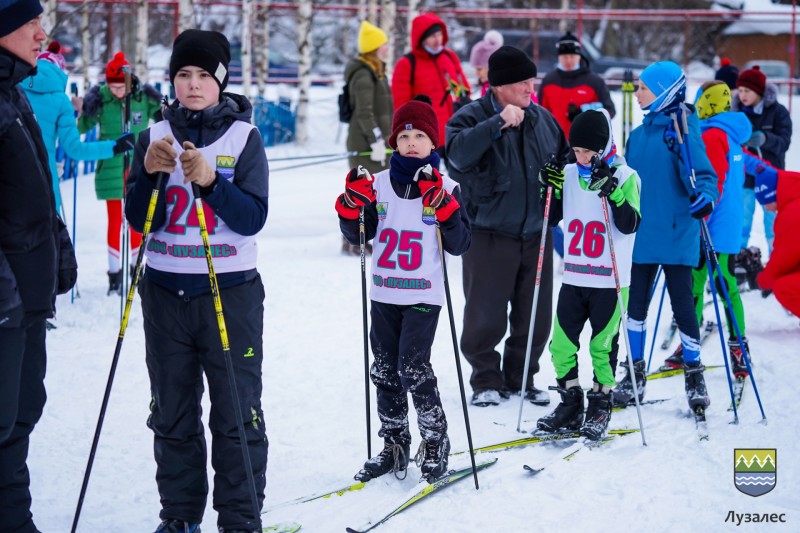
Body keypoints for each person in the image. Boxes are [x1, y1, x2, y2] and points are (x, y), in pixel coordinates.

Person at [124, 29, 269, 533]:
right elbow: (141, 223)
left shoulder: (244, 137)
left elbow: (253, 217)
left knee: (236, 413)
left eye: (203, 75)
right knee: (172, 414)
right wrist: (147, 175)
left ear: (220, 82)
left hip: (229, 292)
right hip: (165, 292)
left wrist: (211, 182)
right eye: (183, 75)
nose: (192, 85)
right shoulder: (154, 132)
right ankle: (180, 516)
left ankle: (240, 518)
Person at [336, 95, 471, 483]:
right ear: (394, 141)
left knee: (412, 367)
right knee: (384, 370)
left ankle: (434, 440)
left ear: (433, 143)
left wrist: (445, 212)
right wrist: (350, 209)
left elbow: (461, 244)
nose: (412, 142)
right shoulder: (377, 184)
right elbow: (359, 234)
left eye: (420, 135)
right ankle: (394, 442)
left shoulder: (447, 185)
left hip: (423, 295)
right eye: (405, 135)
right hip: (384, 292)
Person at [446, 45, 570, 407]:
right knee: (484, 313)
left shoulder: (543, 120)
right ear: (499, 86)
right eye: (522, 83)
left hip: (537, 233)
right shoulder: (470, 117)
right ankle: (485, 378)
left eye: (533, 81)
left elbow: (563, 164)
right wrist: (496, 124)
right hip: (488, 233)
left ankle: (522, 376)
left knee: (535, 314)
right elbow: (456, 157)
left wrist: (558, 184)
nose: (531, 89)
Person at [1, 2, 77, 532]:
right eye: (31, 24)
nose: (41, 34)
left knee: (22, 411)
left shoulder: (14, 93)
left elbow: (32, 190)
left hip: (25, 299)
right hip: (5, 304)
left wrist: (58, 245)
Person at [611, 61, 718, 411]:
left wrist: (705, 197)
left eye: (644, 87)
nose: (638, 92)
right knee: (635, 308)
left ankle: (694, 373)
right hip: (642, 235)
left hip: (676, 234)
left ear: (664, 92)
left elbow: (705, 176)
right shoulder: (638, 135)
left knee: (684, 309)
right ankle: (635, 373)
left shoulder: (685, 130)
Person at [536, 109, 641, 440]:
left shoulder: (625, 176)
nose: (581, 157)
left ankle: (600, 402)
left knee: (601, 347)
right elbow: (550, 219)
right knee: (561, 346)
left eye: (587, 152)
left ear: (604, 146)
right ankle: (570, 402)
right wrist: (547, 190)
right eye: (576, 151)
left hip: (609, 281)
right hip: (575, 275)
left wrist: (613, 191)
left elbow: (631, 223)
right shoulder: (568, 173)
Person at [661, 81, 753, 379]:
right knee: (713, 284)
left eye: (700, 100)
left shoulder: (714, 135)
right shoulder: (732, 132)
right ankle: (698, 344)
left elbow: (712, 183)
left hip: (712, 225)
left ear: (707, 103)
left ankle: (733, 348)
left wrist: (702, 215)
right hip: (726, 223)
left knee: (707, 285)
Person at [79, 50, 162, 295]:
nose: (118, 92)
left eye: (120, 87)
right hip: (111, 168)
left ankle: (136, 270)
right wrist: (82, 108)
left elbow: (162, 120)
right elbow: (83, 126)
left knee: (135, 221)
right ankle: (114, 276)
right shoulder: (102, 99)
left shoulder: (141, 97)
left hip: (137, 167)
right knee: (115, 221)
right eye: (113, 88)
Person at [22, 40, 132, 216]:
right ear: (60, 71)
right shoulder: (61, 101)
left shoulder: (13, 91)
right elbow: (75, 149)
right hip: (44, 179)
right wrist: (116, 146)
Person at [341, 20, 393, 256]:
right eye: (383, 45)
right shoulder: (364, 75)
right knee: (363, 190)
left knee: (377, 191)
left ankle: (366, 236)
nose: (387, 48)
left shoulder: (377, 70)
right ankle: (353, 240)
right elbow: (364, 112)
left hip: (377, 140)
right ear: (374, 48)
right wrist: (376, 141)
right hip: (366, 143)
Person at [391, 12, 470, 158]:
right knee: (429, 179)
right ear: (421, 38)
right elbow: (401, 105)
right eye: (432, 36)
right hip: (428, 136)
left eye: (440, 34)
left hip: (455, 131)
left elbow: (462, 86)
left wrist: (463, 100)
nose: (437, 39)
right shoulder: (406, 64)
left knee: (459, 179)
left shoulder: (449, 56)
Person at [732, 65, 792, 255]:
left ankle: (776, 258)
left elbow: (784, 142)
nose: (743, 95)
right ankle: (738, 258)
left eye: (747, 91)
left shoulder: (778, 112)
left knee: (772, 222)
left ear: (759, 91)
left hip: (771, 178)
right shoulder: (736, 113)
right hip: (745, 178)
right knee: (742, 219)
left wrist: (766, 139)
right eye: (740, 90)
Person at [537, 31, 615, 138]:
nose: (568, 60)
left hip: (586, 144)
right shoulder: (548, 81)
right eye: (564, 57)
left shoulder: (595, 81)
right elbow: (540, 113)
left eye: (572, 56)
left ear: (579, 56)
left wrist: (584, 111)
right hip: (555, 143)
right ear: (559, 57)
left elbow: (609, 110)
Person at [753, 165, 800, 318]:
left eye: (766, 203)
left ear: (774, 194)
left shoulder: (792, 214)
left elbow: (783, 259)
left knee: (784, 287)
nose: (767, 209)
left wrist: (761, 280)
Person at [469, 30, 503, 97]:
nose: (476, 74)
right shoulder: (487, 85)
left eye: (479, 69)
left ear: (492, 67)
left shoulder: (503, 88)